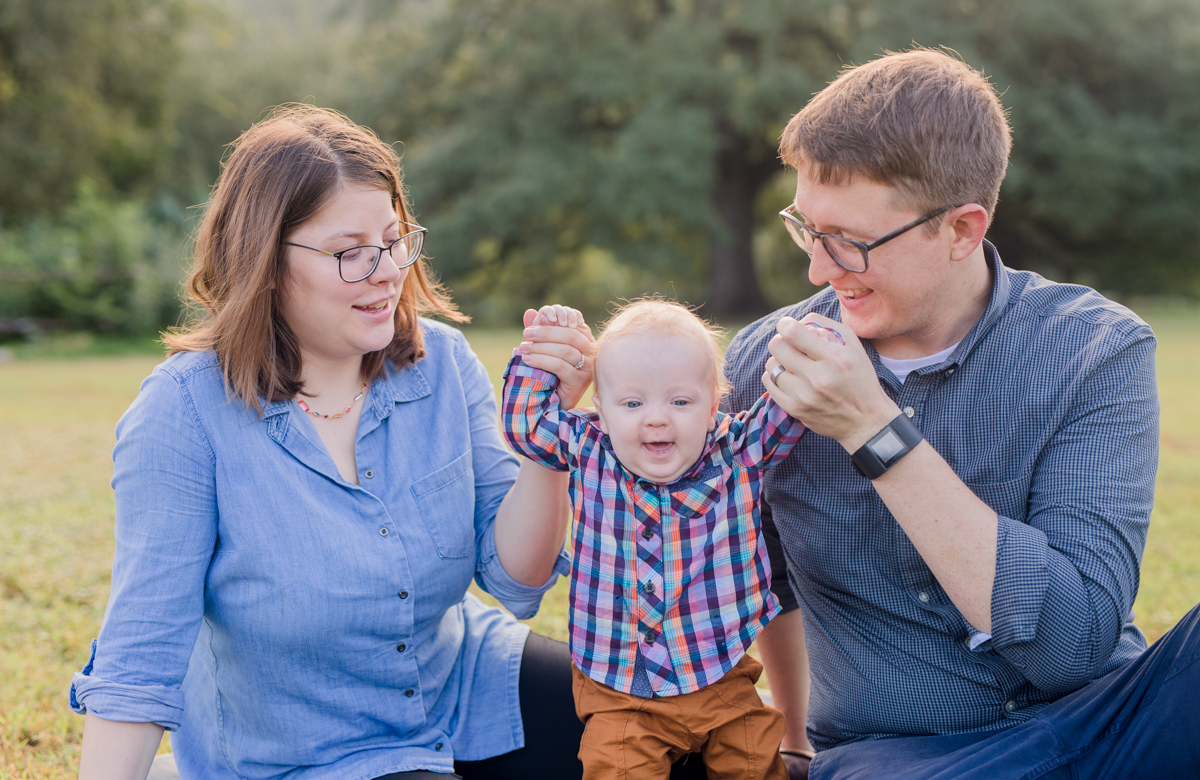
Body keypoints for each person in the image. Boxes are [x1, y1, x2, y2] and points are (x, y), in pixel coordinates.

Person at [69, 105, 600, 780]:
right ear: (264, 259)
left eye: (395, 239)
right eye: (350, 252)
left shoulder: (442, 363)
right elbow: (140, 658)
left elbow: (515, 576)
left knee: (682, 745)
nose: (386, 272)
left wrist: (544, 438)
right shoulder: (183, 412)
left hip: (462, 690)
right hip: (306, 756)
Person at [725, 49, 1200, 779]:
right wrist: (791, 746)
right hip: (900, 758)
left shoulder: (1096, 349)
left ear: (961, 229)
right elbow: (757, 584)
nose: (818, 270)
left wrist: (873, 431)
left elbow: (1072, 646)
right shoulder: (763, 366)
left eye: (849, 243)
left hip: (1108, 723)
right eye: (806, 230)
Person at [501, 299, 840, 780]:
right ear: (601, 408)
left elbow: (788, 411)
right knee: (617, 768)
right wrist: (538, 359)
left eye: (680, 402)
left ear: (712, 403)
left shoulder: (733, 449)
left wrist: (812, 350)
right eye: (632, 403)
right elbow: (526, 427)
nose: (656, 418)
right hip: (621, 690)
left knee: (753, 760)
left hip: (718, 675)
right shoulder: (589, 448)